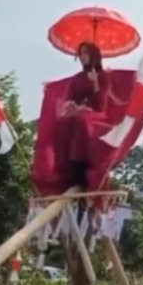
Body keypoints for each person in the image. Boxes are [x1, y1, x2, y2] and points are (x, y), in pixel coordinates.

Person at [54, 42, 110, 189]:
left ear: (93, 55)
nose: (82, 56)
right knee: (64, 122)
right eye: (80, 53)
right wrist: (71, 104)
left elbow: (102, 105)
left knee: (81, 121)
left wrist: (96, 83)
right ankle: (65, 168)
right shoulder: (77, 78)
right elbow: (70, 98)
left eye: (86, 52)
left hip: (95, 115)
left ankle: (79, 167)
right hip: (78, 111)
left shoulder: (103, 75)